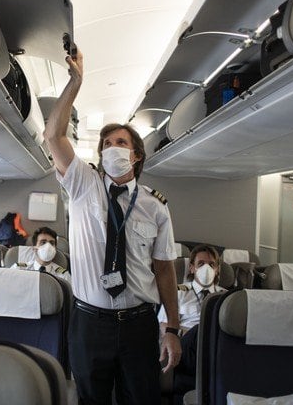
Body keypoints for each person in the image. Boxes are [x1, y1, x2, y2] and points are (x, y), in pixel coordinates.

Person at [44, 46, 181, 404]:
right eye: (106, 144)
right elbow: (53, 136)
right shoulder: (83, 184)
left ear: (136, 155)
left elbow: (165, 271)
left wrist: (173, 328)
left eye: (120, 143)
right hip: (90, 323)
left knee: (143, 399)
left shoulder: (155, 207)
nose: (111, 148)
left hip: (139, 322)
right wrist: (76, 82)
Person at [159, 245, 225, 383]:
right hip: (186, 345)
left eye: (211, 264)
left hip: (217, 346)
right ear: (191, 268)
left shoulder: (226, 297)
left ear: (217, 270)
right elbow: (164, 325)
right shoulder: (178, 293)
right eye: (200, 264)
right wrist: (195, 333)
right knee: (200, 330)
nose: (206, 269)